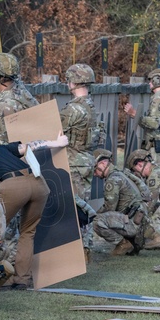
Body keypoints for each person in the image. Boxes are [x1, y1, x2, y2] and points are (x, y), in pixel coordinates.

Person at [0, 133, 68, 290]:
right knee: (28, 233)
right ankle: (22, 279)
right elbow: (30, 146)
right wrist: (57, 142)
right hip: (39, 182)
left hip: (13, 186)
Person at [60, 63, 101, 253]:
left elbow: (56, 128)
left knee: (76, 208)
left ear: (73, 82)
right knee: (83, 204)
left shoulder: (74, 109)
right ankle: (86, 247)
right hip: (86, 160)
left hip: (74, 161)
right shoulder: (90, 106)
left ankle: (80, 249)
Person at [90, 148, 147, 256]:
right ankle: (130, 243)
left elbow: (109, 208)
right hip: (140, 224)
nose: (95, 174)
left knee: (96, 221)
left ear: (103, 164)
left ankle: (123, 244)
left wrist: (92, 215)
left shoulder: (113, 179)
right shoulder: (122, 174)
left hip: (133, 225)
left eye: (95, 169)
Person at [124, 68, 160, 162]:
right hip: (158, 148)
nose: (149, 83)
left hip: (156, 152)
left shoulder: (159, 99)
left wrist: (135, 114)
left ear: (158, 80)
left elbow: (154, 123)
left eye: (152, 80)